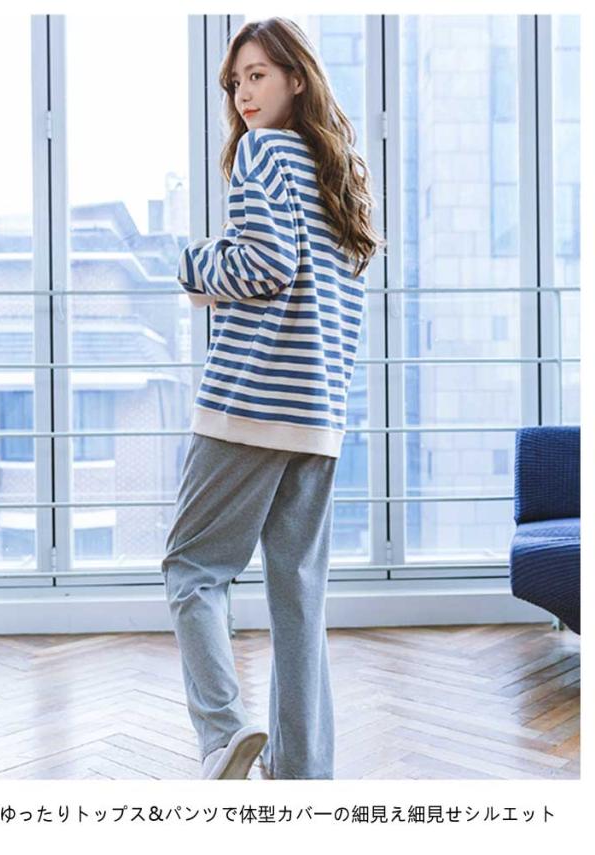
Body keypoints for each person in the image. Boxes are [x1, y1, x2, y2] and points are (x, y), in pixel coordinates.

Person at [161, 16, 385, 780]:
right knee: (298, 597)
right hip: (317, 415)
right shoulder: (338, 171)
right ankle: (304, 779)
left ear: (296, 76)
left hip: (250, 401)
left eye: (257, 75)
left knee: (193, 567)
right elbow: (327, 293)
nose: (244, 95)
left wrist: (194, 266)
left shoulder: (262, 152)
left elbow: (265, 262)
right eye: (235, 81)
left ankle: (223, 731)